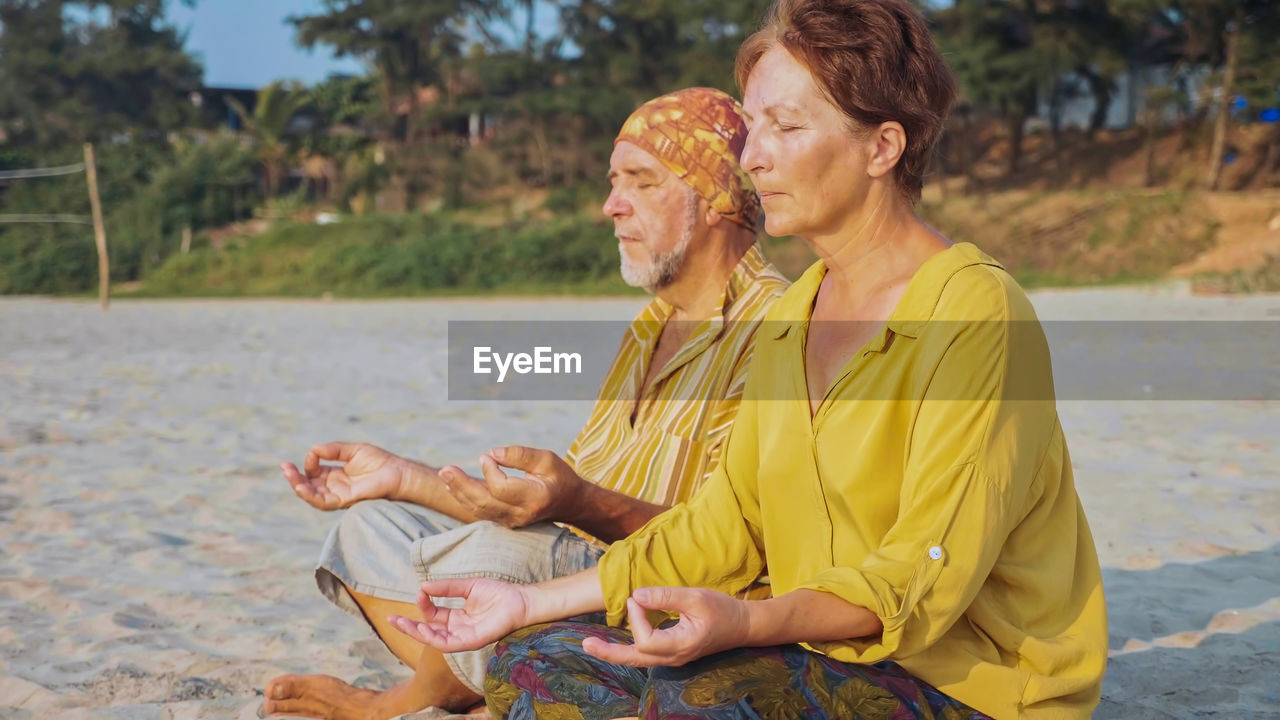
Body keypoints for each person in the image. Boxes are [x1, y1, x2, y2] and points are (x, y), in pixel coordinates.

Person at [386, 1, 1109, 718]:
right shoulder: (794, 318)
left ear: (882, 147)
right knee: (531, 661)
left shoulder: (975, 313)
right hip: (814, 652)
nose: (753, 154)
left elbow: (924, 572)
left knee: (694, 700)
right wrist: (527, 601)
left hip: (966, 683)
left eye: (786, 126)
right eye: (754, 123)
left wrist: (747, 624)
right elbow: (725, 523)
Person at [261, 86, 790, 720]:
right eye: (612, 182)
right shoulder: (648, 328)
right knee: (370, 527)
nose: (610, 206)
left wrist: (576, 503)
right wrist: (403, 477)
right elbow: (557, 514)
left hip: (664, 596)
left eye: (641, 183)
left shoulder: (775, 328)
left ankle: (392, 705)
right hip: (569, 566)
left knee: (496, 555)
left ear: (717, 201)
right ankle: (488, 681)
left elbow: (733, 547)